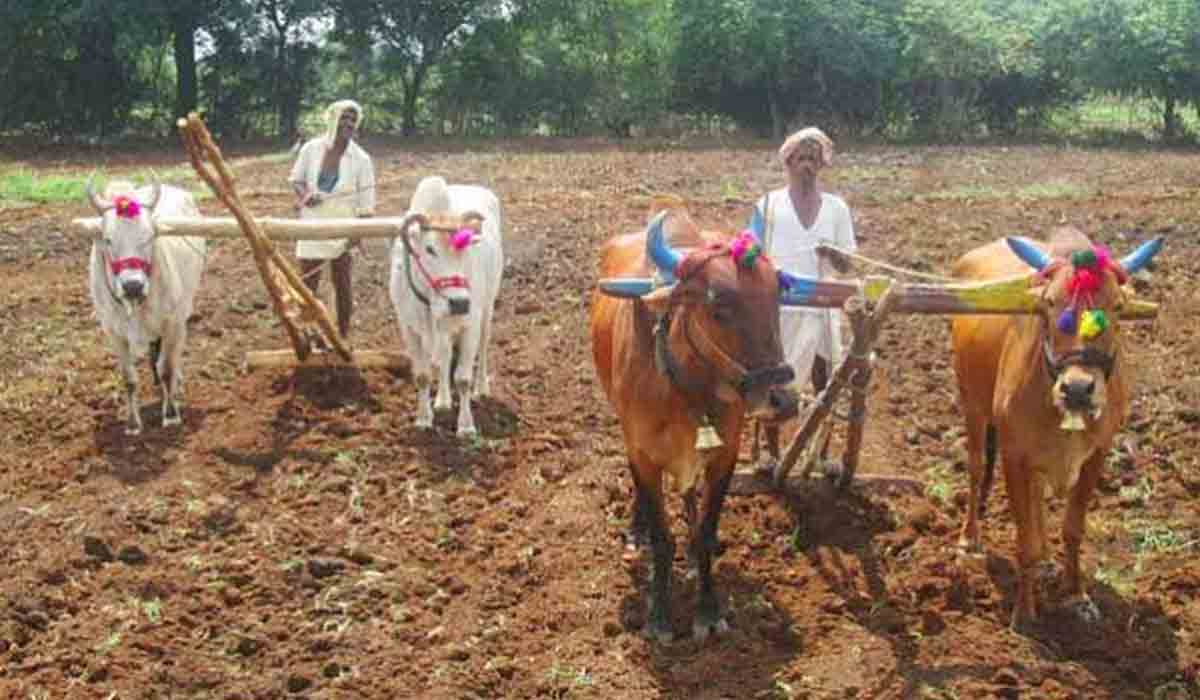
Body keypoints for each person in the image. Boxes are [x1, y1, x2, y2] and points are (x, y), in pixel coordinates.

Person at [747, 126, 857, 473]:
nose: (807, 165)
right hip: (779, 306)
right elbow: (751, 251)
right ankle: (771, 453)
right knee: (773, 379)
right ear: (788, 163)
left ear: (822, 165)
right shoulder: (767, 205)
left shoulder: (837, 208)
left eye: (813, 158)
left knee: (827, 381)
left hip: (823, 307)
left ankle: (821, 454)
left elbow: (848, 262)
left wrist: (833, 254)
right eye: (800, 158)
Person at [289, 99, 376, 341]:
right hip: (311, 226)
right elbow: (296, 179)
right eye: (343, 118)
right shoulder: (311, 149)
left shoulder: (361, 160)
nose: (348, 124)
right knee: (307, 286)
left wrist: (356, 235)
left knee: (343, 286)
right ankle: (306, 334)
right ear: (331, 120)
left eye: (352, 120)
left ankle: (343, 337)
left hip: (343, 229)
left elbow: (366, 205)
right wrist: (306, 195)